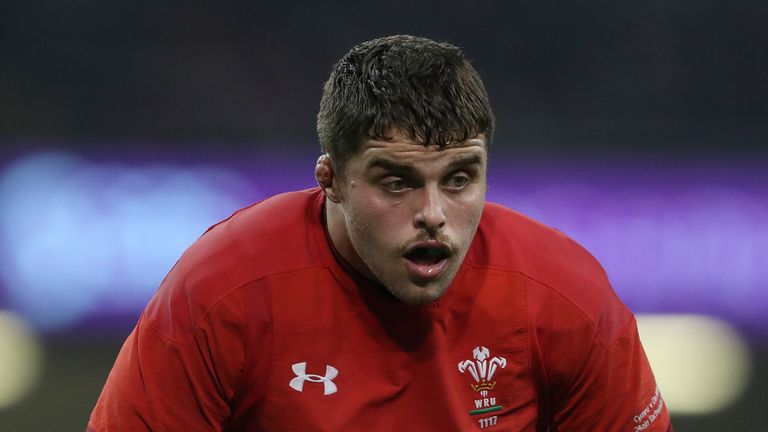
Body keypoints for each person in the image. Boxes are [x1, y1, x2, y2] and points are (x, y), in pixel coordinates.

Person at [88, 35, 672, 431]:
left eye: (460, 179)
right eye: (397, 183)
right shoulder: (221, 293)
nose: (433, 213)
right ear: (330, 181)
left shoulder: (567, 298)